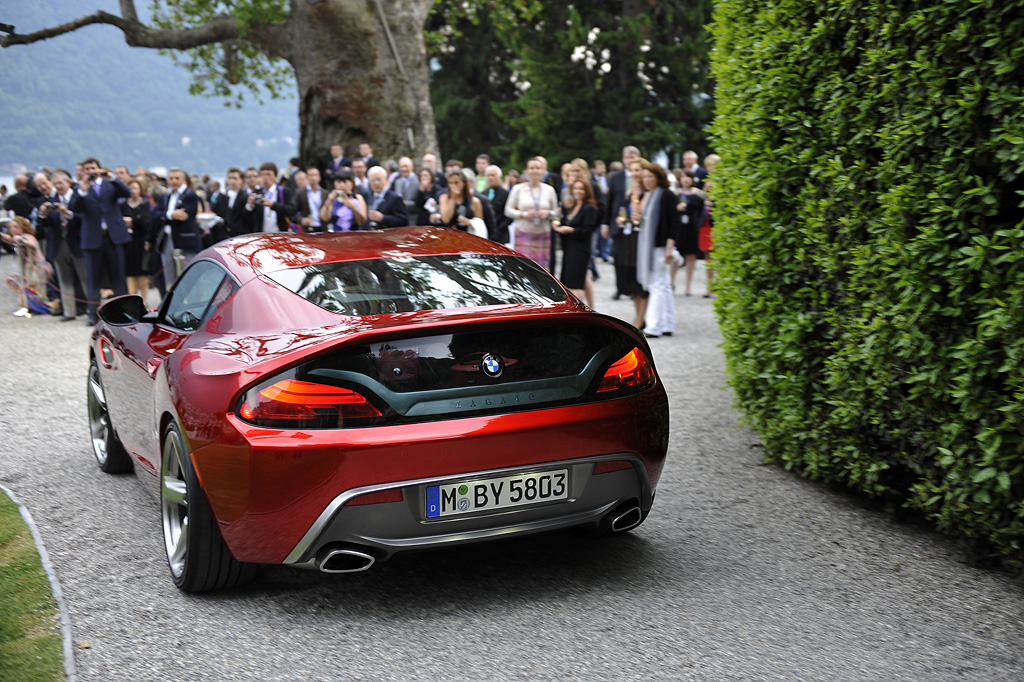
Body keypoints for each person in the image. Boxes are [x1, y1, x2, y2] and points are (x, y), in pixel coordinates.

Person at [68, 158, 131, 325]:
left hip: (113, 236)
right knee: (93, 278)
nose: (90, 171)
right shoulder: (79, 188)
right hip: (92, 238)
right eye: (87, 169)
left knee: (118, 276)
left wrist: (110, 177)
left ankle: (123, 312)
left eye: (93, 168)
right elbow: (73, 208)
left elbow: (127, 193)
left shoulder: (110, 184)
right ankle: (92, 314)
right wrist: (82, 190)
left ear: (99, 168)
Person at [637, 161, 681, 338]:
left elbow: (675, 222)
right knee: (663, 285)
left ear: (658, 177)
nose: (646, 180)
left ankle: (653, 327)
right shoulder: (651, 195)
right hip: (652, 247)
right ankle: (667, 324)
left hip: (661, 247)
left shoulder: (667, 195)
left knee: (657, 285)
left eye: (649, 176)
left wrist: (670, 246)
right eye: (644, 177)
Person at [149, 167, 202, 291]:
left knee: (187, 276)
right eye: (171, 178)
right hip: (167, 239)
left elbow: (184, 216)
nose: (174, 181)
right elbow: (154, 215)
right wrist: (170, 214)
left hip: (184, 240)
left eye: (177, 178)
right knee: (169, 276)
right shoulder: (164, 197)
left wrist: (166, 215)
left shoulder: (190, 195)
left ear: (183, 180)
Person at [47, 171, 87, 321]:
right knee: (64, 280)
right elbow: (47, 225)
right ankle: (69, 312)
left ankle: (92, 312)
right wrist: (43, 214)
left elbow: (85, 218)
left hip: (77, 242)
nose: (58, 187)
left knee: (85, 279)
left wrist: (68, 213)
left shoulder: (78, 196)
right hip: (59, 244)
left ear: (68, 182)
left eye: (60, 183)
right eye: (55, 184)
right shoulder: (52, 200)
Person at [551, 178, 598, 306]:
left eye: (581, 189)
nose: (578, 191)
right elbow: (567, 222)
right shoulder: (573, 207)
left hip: (580, 250)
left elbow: (588, 230)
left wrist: (570, 230)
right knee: (568, 283)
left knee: (576, 284)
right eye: (576, 188)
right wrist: (559, 225)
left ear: (587, 191)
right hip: (569, 248)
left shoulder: (589, 208)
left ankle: (579, 312)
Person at [505, 157, 559, 267]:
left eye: (538, 168)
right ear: (527, 171)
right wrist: (524, 214)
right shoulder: (518, 189)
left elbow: (556, 212)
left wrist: (547, 213)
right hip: (523, 233)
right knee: (523, 267)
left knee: (541, 269)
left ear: (543, 170)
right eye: (532, 168)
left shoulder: (549, 190)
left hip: (542, 234)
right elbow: (507, 210)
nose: (535, 171)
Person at [605, 145, 641, 300]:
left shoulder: (642, 177)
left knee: (633, 257)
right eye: (627, 157)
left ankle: (634, 286)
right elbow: (609, 200)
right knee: (617, 256)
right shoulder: (616, 177)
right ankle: (620, 288)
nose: (630, 160)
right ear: (623, 159)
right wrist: (605, 224)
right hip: (618, 223)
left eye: (633, 157)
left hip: (635, 224)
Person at [1, 216, 55, 317]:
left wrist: (22, 240)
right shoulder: (16, 238)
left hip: (36, 270)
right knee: (12, 281)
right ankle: (31, 303)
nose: (13, 230)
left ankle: (43, 306)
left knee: (30, 295)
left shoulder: (28, 237)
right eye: (11, 227)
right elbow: (9, 239)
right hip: (27, 271)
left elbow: (33, 245)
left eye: (16, 227)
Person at [120, 178, 152, 298]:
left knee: (142, 271)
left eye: (135, 188)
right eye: (130, 188)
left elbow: (146, 222)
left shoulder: (144, 204)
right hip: (127, 241)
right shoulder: (123, 205)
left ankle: (144, 299)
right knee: (130, 272)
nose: (132, 191)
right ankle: (132, 297)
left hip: (141, 240)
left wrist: (133, 220)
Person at [675, 169, 705, 296]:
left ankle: (688, 286)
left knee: (690, 257)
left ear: (692, 179)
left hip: (692, 228)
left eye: (688, 177)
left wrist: (699, 224)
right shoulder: (675, 194)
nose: (685, 179)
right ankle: (671, 283)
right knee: (675, 256)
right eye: (683, 177)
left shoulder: (699, 194)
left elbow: (702, 211)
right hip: (678, 228)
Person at [246, 162, 296, 232]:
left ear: (275, 177)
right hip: (261, 235)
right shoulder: (256, 193)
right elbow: (247, 218)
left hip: (280, 233)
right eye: (263, 174)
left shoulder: (284, 191)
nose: (265, 177)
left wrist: (273, 205)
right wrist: (249, 206)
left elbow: (292, 210)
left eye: (268, 174)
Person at [213, 168, 252, 239]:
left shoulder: (245, 197)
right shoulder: (223, 197)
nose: (232, 181)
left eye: (235, 178)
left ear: (241, 180)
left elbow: (247, 216)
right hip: (224, 236)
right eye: (230, 178)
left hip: (240, 236)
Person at [483, 165, 511, 244]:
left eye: (493, 175)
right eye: (488, 175)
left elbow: (509, 217)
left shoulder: (506, 194)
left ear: (499, 177)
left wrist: (498, 230)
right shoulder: (483, 194)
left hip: (501, 235)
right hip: (486, 235)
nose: (490, 178)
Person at [295, 166, 328, 232]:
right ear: (307, 178)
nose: (313, 178)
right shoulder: (300, 193)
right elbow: (293, 212)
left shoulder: (325, 193)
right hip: (307, 228)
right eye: (310, 175)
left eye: (315, 175)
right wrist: (302, 219)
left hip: (323, 228)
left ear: (319, 177)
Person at [389, 157, 419, 225]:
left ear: (412, 167)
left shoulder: (418, 180)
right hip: (399, 222)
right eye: (402, 167)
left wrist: (406, 203)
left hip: (414, 220)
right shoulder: (397, 181)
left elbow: (421, 203)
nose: (404, 169)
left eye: (406, 166)